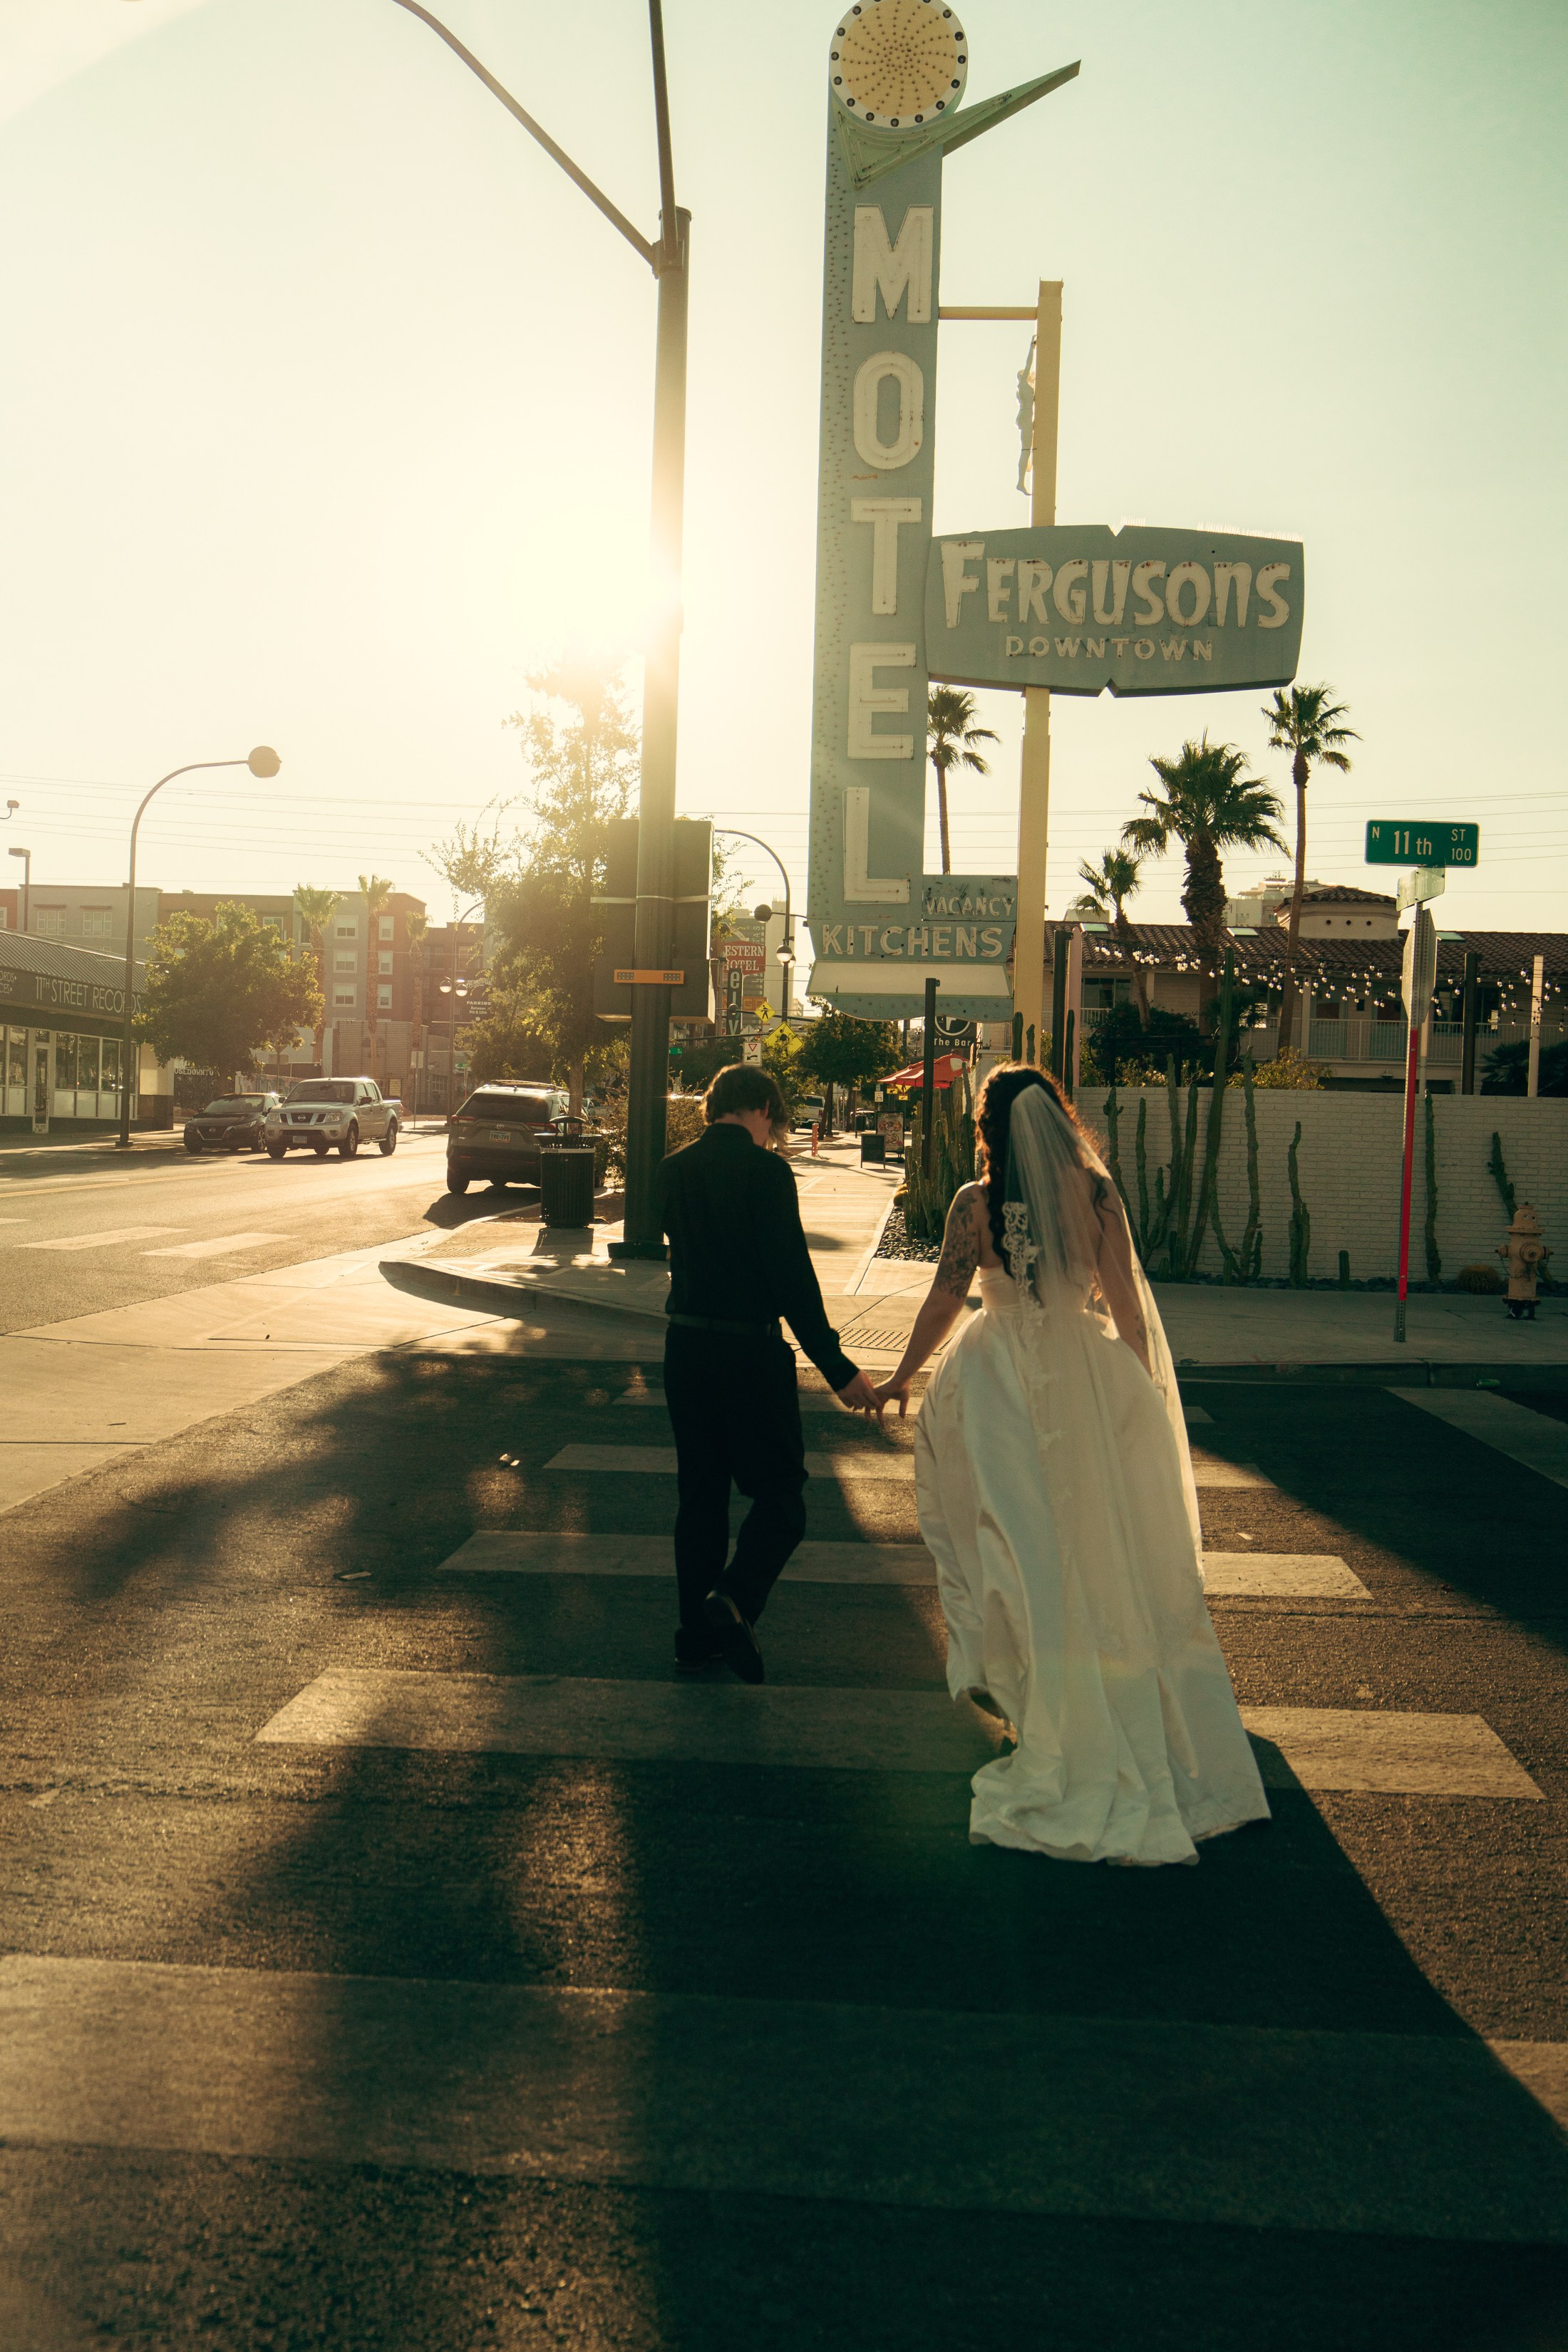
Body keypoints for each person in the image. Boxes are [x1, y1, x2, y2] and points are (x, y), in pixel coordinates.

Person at [875, 1066, 1269, 1867]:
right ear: (1058, 1119)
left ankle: (1030, 1691)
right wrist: (1138, 1389)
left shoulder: (973, 1204)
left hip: (995, 1379)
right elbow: (1126, 1306)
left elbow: (946, 1299)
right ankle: (1106, 1692)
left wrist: (902, 1374)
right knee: (1096, 1543)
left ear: (988, 1127)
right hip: (1084, 1375)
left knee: (1011, 1545)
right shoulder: (1097, 1195)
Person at [657, 1063, 882, 1683]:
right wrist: (837, 1368)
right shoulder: (767, 1172)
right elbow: (791, 1280)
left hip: (686, 1348)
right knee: (782, 1496)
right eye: (773, 1124)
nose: (773, 1135)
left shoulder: (672, 1170)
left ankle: (694, 1638)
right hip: (749, 1353)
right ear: (760, 1109)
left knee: (700, 1497)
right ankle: (734, 1597)